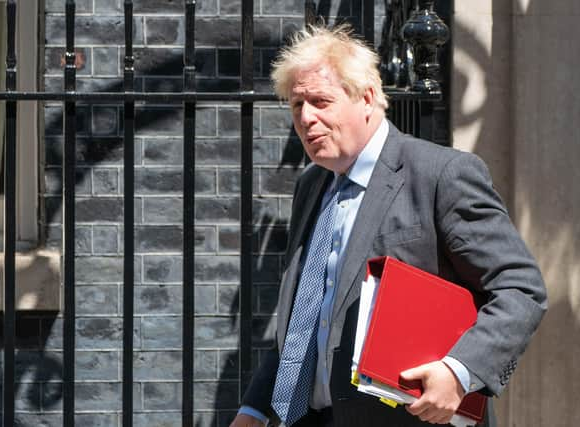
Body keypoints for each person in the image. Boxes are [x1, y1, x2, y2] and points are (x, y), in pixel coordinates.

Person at [230, 24, 547, 427]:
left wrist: (459, 371)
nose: (306, 118)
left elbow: (520, 288)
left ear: (366, 98)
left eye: (321, 101)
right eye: (296, 105)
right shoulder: (313, 184)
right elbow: (307, 314)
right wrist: (256, 408)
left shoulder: (441, 175)